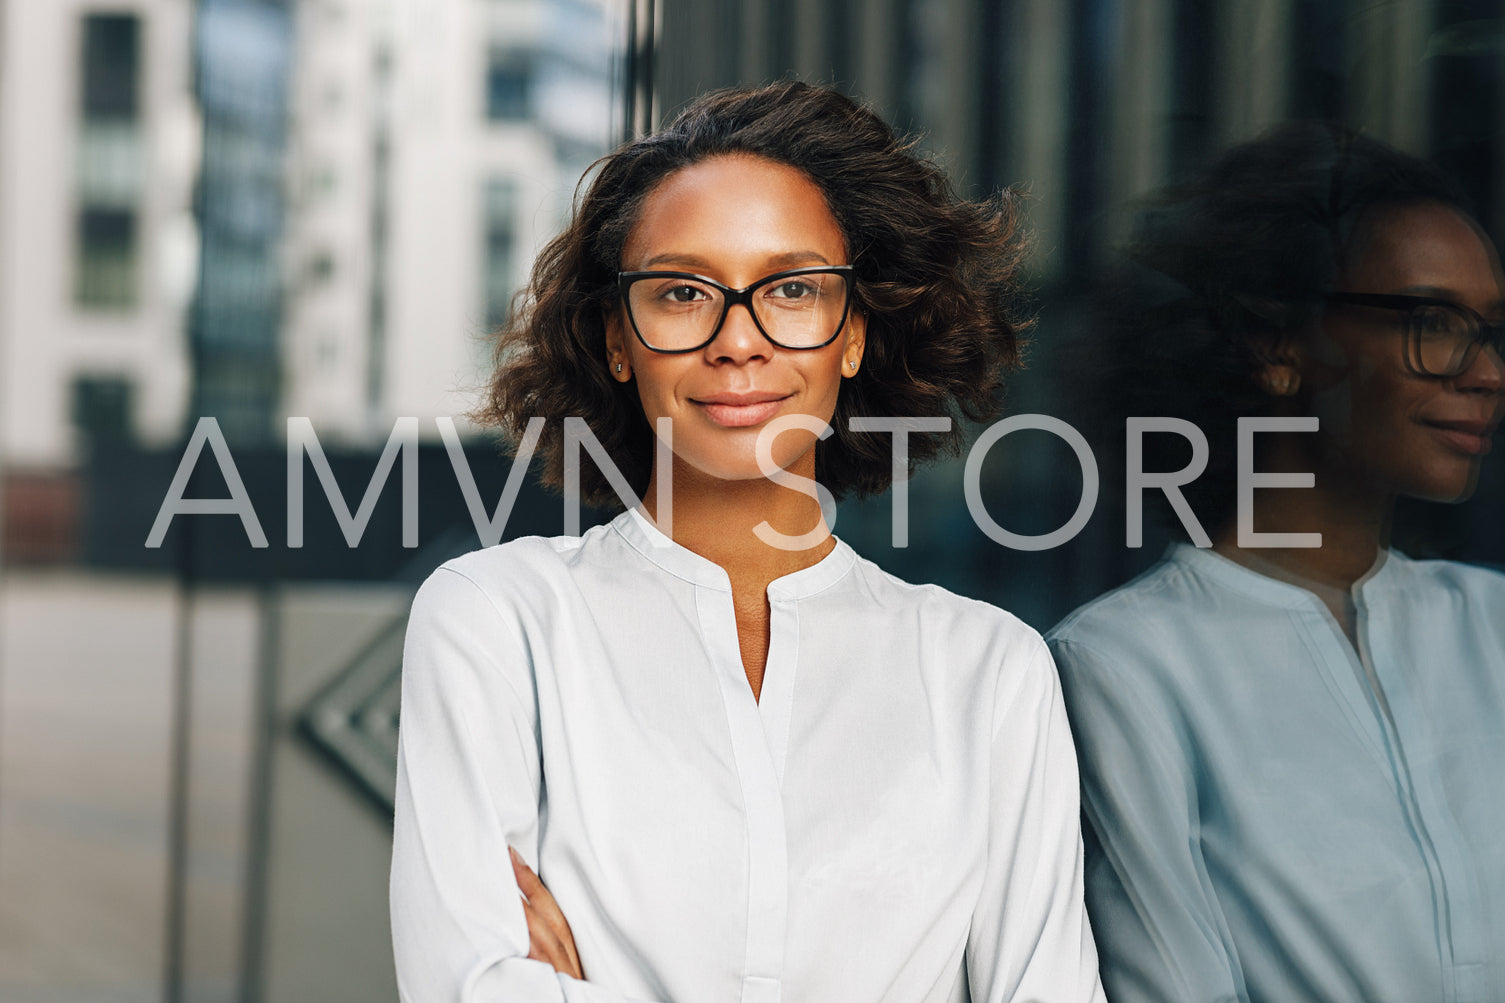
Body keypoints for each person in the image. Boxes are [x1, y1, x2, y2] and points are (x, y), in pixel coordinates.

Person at [390, 82, 1104, 1002]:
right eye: (683, 292)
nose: (738, 341)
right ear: (617, 338)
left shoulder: (988, 671)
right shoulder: (499, 621)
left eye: (794, 289)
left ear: (851, 336)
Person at [1049, 122, 1505, 1002]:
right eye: (1432, 323)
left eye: (1488, 331)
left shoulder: (1490, 625)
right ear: (1274, 346)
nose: (1484, 372)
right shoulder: (1121, 668)